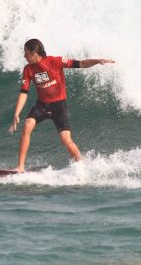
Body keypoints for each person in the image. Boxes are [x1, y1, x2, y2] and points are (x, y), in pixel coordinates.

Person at [8, 39, 115, 172]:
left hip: (58, 105)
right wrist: (16, 114)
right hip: (42, 104)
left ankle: (81, 166)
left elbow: (80, 63)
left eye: (26, 53)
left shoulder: (55, 61)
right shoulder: (28, 69)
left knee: (65, 139)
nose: (24, 56)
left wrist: (98, 61)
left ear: (34, 52)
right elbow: (24, 93)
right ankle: (20, 166)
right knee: (27, 125)